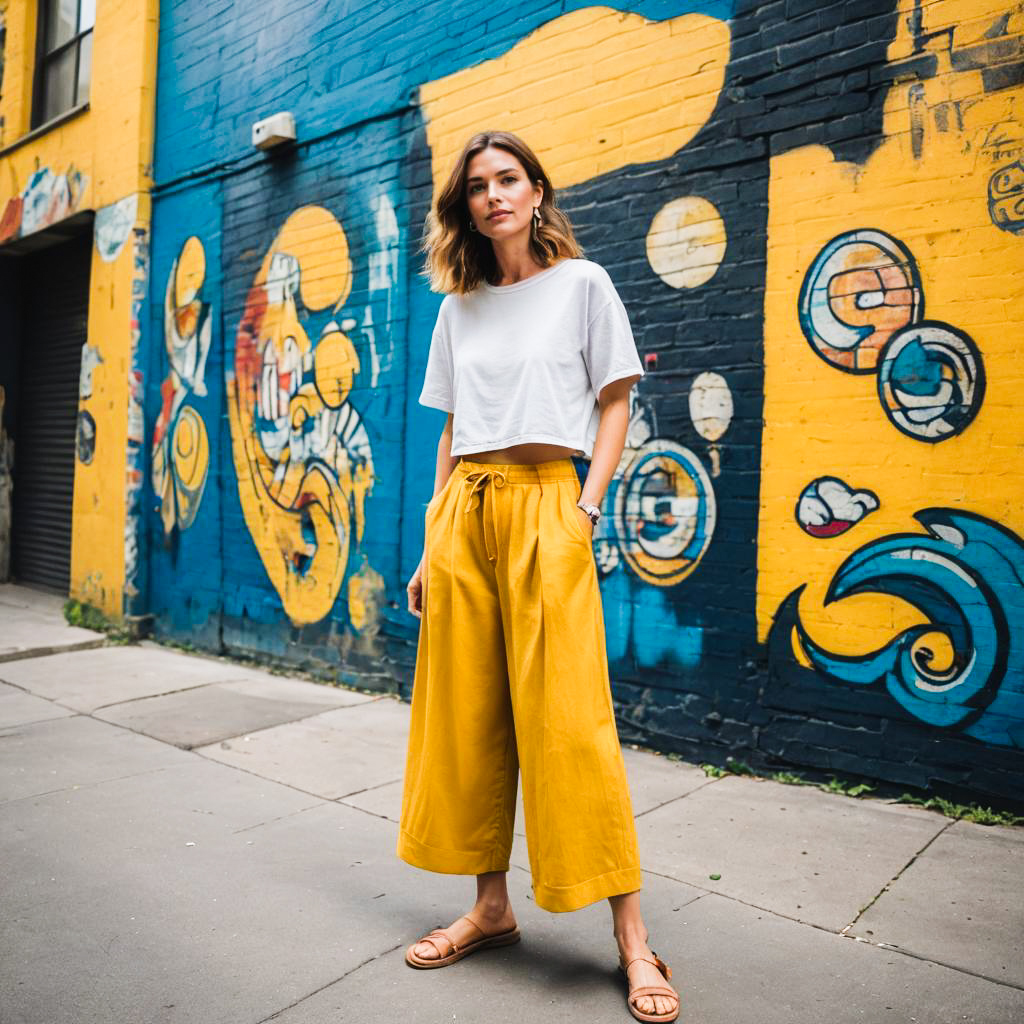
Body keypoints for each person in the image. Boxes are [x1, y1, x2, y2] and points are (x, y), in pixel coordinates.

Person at [398, 129, 680, 1024]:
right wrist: (428, 542)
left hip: (548, 504)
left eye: (507, 178)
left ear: (536, 188)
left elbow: (616, 400)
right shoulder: (459, 306)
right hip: (466, 513)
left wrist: (585, 511)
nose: (493, 196)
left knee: (571, 724)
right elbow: (451, 430)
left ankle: (634, 940)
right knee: (471, 716)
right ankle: (489, 906)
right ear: (465, 206)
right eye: (476, 186)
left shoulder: (583, 286)